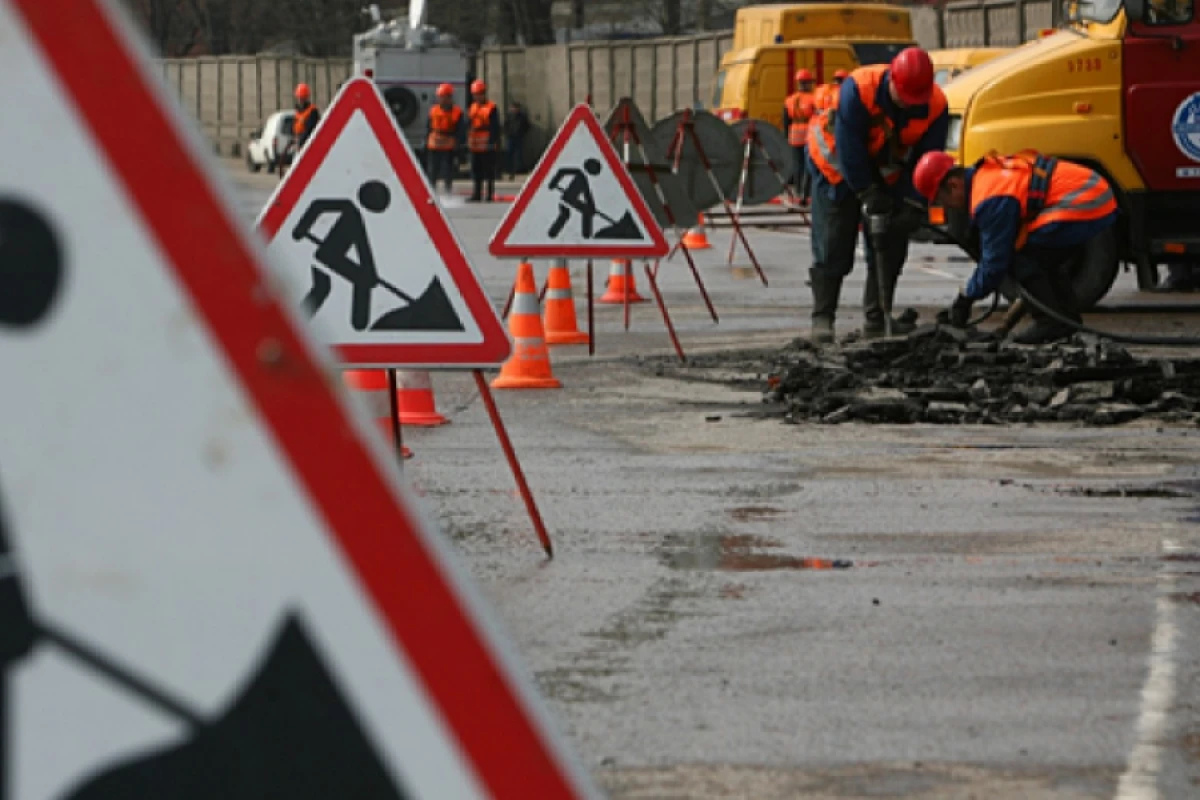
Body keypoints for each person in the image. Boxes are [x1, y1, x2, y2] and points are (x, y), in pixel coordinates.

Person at [806, 47, 949, 343]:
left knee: (891, 240)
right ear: (891, 81)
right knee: (835, 240)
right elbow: (849, 149)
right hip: (836, 167)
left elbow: (927, 159)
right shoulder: (859, 89)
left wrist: (913, 202)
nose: (909, 105)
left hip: (887, 170)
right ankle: (823, 317)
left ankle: (877, 316)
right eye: (904, 97)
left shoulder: (935, 105)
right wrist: (867, 192)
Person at [914, 149, 1118, 344]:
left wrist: (965, 298)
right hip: (1094, 193)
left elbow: (995, 264)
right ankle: (1066, 320)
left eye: (942, 200)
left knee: (1021, 258)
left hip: (1087, 201)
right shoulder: (985, 176)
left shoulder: (988, 198)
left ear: (953, 185)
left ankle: (1051, 322)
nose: (947, 207)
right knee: (1045, 259)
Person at [782, 69, 817, 203]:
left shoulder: (789, 100)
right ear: (808, 83)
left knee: (797, 165)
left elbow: (786, 121)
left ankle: (797, 191)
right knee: (809, 166)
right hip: (809, 135)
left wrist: (787, 136)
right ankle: (806, 192)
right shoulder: (813, 99)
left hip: (794, 136)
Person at [426, 83, 464, 195]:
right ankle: (431, 192)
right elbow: (428, 127)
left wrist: (459, 144)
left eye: (444, 96)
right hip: (434, 143)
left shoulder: (457, 112)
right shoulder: (433, 110)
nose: (441, 99)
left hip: (449, 143)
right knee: (432, 170)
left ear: (450, 97)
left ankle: (448, 191)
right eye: (440, 96)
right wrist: (426, 141)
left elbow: (460, 129)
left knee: (448, 170)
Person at [467, 80, 501, 202]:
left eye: (479, 93)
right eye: (475, 94)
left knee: (489, 171)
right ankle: (476, 194)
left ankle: (489, 194)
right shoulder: (472, 107)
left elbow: (495, 126)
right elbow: (469, 123)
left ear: (484, 93)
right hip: (475, 143)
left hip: (487, 143)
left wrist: (492, 141)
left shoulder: (491, 108)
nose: (477, 96)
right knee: (476, 170)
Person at [504, 101, 531, 179]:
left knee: (519, 154)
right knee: (510, 154)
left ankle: (519, 169)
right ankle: (510, 169)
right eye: (513, 108)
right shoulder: (509, 116)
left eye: (516, 108)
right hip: (511, 137)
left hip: (519, 137)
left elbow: (527, 126)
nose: (514, 109)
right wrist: (507, 133)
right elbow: (505, 125)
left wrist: (522, 133)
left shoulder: (522, 116)